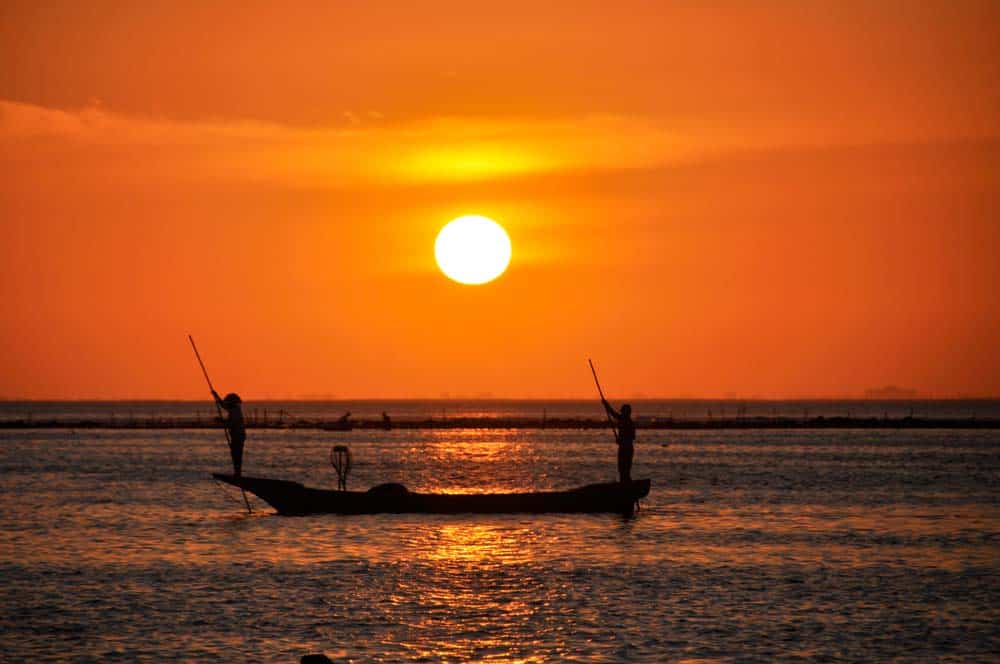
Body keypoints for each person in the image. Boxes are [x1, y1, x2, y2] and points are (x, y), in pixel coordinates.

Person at [212, 390, 245, 476]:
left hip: (238, 436)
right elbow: (223, 405)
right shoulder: (233, 408)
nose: (227, 404)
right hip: (236, 436)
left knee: (236, 454)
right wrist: (216, 396)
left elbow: (230, 423)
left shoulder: (235, 410)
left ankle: (237, 473)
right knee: (235, 454)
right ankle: (237, 472)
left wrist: (221, 421)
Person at [602, 398, 635, 482]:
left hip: (626, 448)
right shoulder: (623, 419)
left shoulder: (629, 423)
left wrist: (621, 440)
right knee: (621, 469)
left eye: (623, 412)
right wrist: (606, 404)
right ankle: (624, 484)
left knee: (625, 468)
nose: (621, 413)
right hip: (623, 447)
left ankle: (626, 484)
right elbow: (613, 413)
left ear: (627, 413)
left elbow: (632, 437)